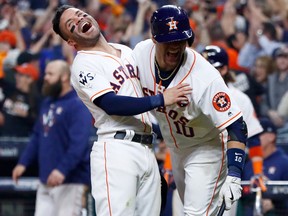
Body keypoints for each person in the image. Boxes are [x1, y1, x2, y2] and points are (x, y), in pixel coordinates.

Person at [52, 5, 192, 216]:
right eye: (71, 24)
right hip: (117, 148)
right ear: (72, 42)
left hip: (146, 147)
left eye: (80, 14)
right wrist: (162, 99)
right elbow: (110, 104)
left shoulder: (126, 51)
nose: (79, 19)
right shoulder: (83, 64)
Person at [132, 5, 248, 215]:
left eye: (181, 39)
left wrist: (234, 174)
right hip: (176, 148)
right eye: (169, 40)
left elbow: (237, 126)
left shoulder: (204, 77)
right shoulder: (141, 53)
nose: (176, 46)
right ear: (154, 38)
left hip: (206, 148)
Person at [12, 60, 92, 216]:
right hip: (46, 179)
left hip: (70, 180)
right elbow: (37, 135)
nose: (45, 78)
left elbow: (79, 144)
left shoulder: (77, 104)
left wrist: (62, 169)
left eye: (50, 74)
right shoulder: (47, 103)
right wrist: (23, 162)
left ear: (64, 77)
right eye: (46, 73)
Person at [201, 45, 267, 215]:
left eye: (211, 67)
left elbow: (252, 137)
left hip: (226, 165)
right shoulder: (192, 92)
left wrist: (258, 172)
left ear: (224, 69)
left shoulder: (239, 98)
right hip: (196, 159)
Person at [242, 117, 288, 215]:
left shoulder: (284, 163)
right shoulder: (249, 163)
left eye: (257, 135)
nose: (252, 139)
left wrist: (275, 204)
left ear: (271, 136)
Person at [0, 63, 41, 137]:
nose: (16, 77)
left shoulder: (36, 99)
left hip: (22, 141)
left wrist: (26, 116)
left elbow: (40, 123)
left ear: (30, 79)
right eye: (17, 74)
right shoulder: (10, 92)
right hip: (3, 139)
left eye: (20, 75)